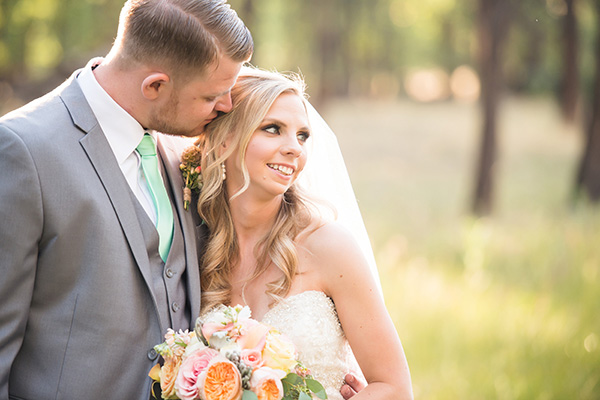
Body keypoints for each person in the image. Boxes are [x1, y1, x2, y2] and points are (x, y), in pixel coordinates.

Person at [0, 0, 253, 399]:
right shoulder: (23, 150)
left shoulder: (180, 144)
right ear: (155, 85)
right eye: (212, 97)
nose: (226, 107)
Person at [193, 67, 413, 399]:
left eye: (302, 135)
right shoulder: (191, 245)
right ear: (225, 138)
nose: (294, 148)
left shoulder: (328, 247)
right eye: (273, 129)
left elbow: (395, 388)